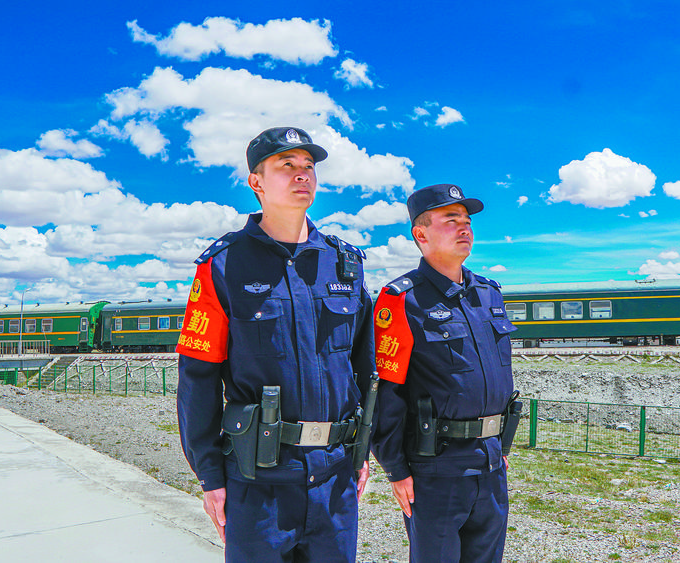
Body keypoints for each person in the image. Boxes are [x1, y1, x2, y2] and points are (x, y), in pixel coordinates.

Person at [175, 126, 376, 562]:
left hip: (335, 477)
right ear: (257, 182)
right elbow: (197, 378)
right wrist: (210, 477)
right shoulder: (222, 265)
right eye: (287, 165)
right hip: (257, 481)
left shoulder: (344, 263)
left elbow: (366, 368)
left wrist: (362, 452)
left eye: (308, 166)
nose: (302, 174)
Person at [371, 184, 522, 563]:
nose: (464, 227)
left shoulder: (489, 293)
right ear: (420, 234)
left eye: (467, 220)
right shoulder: (402, 299)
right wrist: (395, 469)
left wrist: (500, 448)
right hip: (436, 467)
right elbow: (386, 391)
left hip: (491, 463)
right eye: (451, 220)